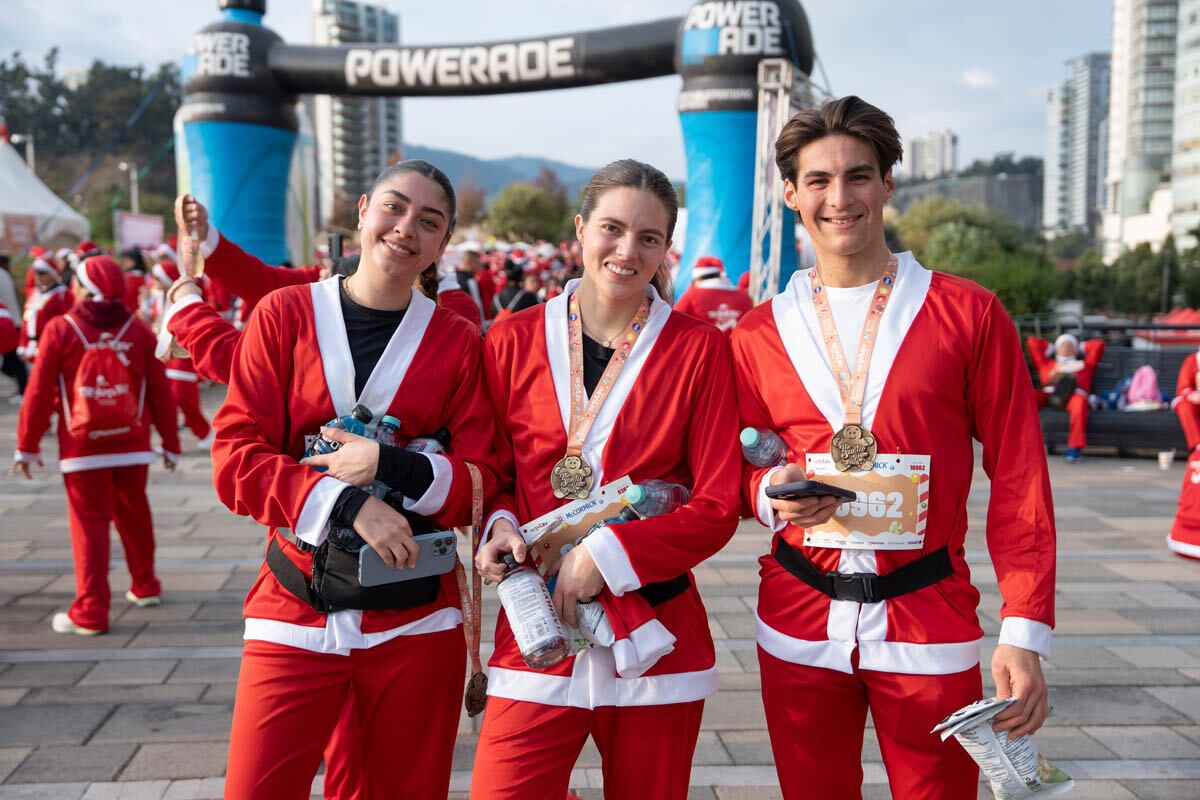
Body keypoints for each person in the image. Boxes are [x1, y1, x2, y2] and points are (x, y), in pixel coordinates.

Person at [730, 97, 1055, 799]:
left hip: (928, 617)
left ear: (887, 185)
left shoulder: (969, 313)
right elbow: (731, 463)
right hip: (797, 620)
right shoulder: (756, 333)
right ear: (790, 194)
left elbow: (1021, 476)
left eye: (858, 176)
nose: (839, 198)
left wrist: (1024, 628)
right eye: (818, 180)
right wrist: (770, 492)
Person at [209, 159, 500, 800]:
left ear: (443, 243)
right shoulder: (284, 314)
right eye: (394, 207)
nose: (406, 229)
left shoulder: (457, 341)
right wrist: (346, 503)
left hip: (415, 618)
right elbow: (234, 458)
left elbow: (482, 479)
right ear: (364, 209)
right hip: (296, 602)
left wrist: (391, 467)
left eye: (429, 221)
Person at [472, 159, 741, 799]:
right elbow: (493, 471)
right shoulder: (509, 340)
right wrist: (499, 524)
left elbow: (717, 504)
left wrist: (608, 553)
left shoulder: (699, 349)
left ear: (666, 248)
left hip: (656, 627)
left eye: (648, 238)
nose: (627, 251)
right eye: (612, 229)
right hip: (537, 627)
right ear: (580, 228)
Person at [12, 255, 181, 635]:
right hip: (132, 443)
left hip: (81, 448)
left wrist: (27, 445)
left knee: (89, 526)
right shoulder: (139, 329)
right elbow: (160, 390)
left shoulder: (61, 328)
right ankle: (145, 585)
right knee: (135, 514)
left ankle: (90, 610)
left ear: (83, 286)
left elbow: (37, 392)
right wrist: (170, 442)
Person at [1026, 332, 1105, 462]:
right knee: (1028, 398)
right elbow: (1031, 342)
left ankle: (1074, 448)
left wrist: (1082, 346)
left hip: (1074, 395)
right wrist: (1050, 347)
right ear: (1057, 348)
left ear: (1076, 349)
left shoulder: (1085, 365)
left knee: (1080, 403)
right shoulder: (1047, 364)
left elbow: (1099, 344)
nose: (1066, 347)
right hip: (1050, 394)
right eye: (1063, 344)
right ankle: (1023, 442)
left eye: (1070, 344)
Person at [673, 255, 755, 332]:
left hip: (705, 342)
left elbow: (673, 323)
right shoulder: (744, 297)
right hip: (737, 342)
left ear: (698, 277)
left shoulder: (691, 296)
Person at [0, 253, 27, 401]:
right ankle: (23, 387)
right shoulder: (4, 273)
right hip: (11, 321)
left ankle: (24, 389)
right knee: (11, 361)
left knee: (13, 361)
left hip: (7, 323)